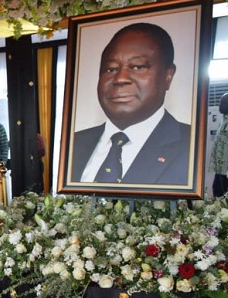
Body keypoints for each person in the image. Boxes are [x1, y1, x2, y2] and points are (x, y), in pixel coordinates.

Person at [71, 22, 191, 185]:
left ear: (168, 76)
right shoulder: (74, 143)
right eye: (111, 69)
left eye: (138, 67)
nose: (120, 78)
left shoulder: (193, 145)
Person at [211, 94, 228, 198]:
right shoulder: (223, 120)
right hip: (220, 166)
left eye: (222, 103)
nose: (219, 105)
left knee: (222, 193)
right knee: (217, 189)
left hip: (225, 168)